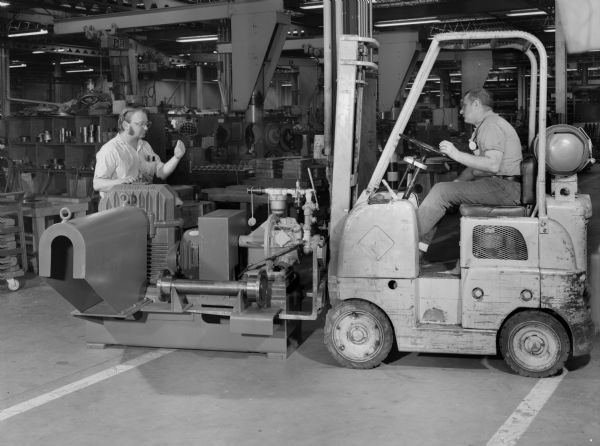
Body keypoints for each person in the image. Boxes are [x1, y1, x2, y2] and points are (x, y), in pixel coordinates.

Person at [417, 88, 522, 256]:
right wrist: (458, 183)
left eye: (463, 106)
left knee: (440, 191)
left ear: (476, 104)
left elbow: (492, 165)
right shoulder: (487, 125)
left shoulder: (491, 125)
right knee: (447, 190)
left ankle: (405, 243)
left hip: (503, 186)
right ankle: (421, 247)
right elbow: (477, 167)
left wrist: (455, 154)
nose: (460, 111)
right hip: (502, 185)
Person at [93, 107, 186, 197]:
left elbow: (161, 173)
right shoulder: (110, 150)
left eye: (147, 124)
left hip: (143, 206)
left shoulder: (146, 147)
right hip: (117, 209)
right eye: (141, 124)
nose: (146, 128)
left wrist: (176, 157)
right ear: (126, 125)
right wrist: (120, 182)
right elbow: (97, 184)